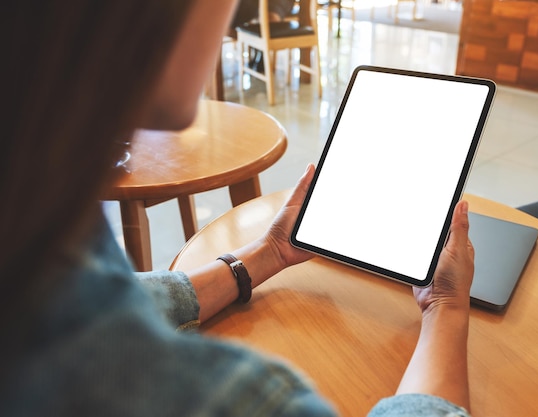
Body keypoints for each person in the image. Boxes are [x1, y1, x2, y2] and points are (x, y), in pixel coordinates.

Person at [0, 1, 474, 416]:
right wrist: (446, 309)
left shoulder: (40, 237)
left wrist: (267, 253)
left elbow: (87, 298)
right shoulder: (232, 398)